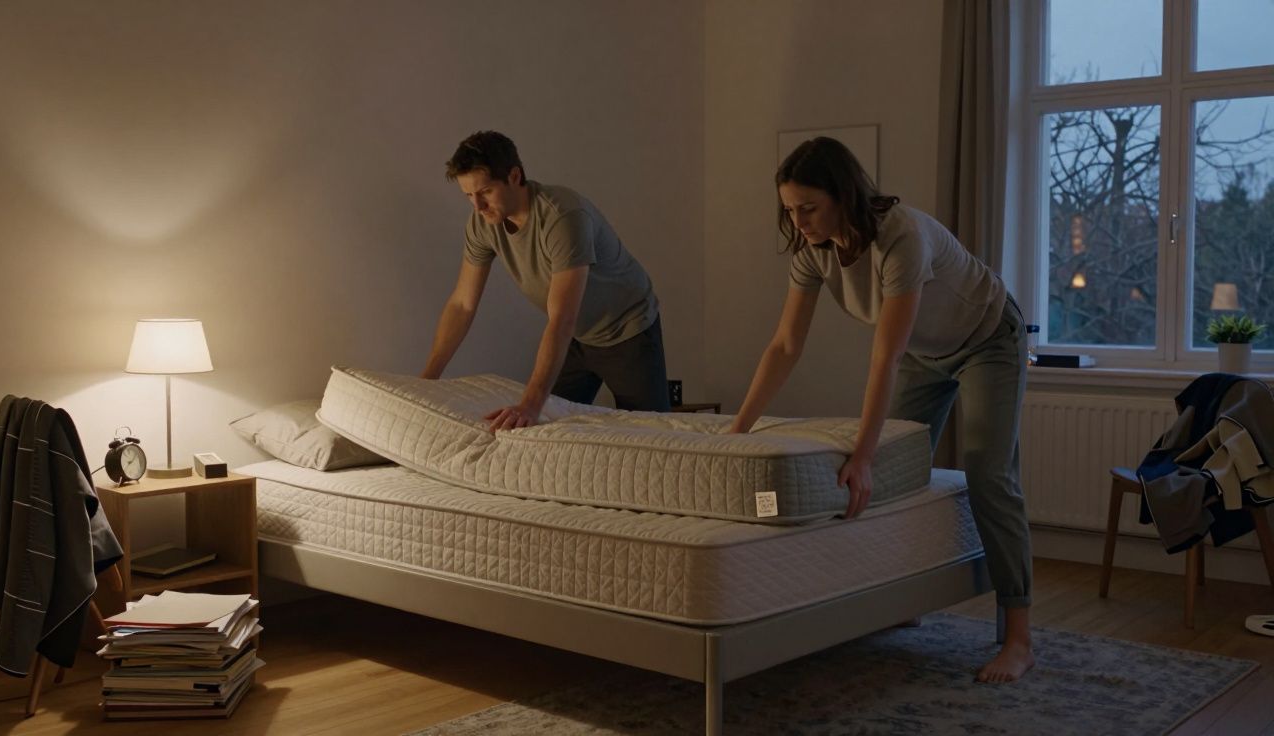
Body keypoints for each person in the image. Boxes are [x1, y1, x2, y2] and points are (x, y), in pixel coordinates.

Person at [729, 137, 1035, 683]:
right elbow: (784, 346)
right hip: (925, 351)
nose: (798, 221)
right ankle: (904, 595)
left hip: (988, 339)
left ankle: (1018, 637)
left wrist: (863, 455)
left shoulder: (903, 237)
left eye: (808, 208)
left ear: (843, 195)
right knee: (899, 470)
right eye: (790, 210)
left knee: (987, 472)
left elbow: (884, 355)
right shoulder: (813, 249)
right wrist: (739, 427)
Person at [422, 130, 669, 431]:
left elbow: (562, 317)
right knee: (542, 430)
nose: (477, 206)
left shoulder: (563, 217)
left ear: (514, 176)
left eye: (485, 192)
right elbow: (462, 304)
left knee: (650, 435)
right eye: (468, 195)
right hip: (577, 336)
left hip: (627, 329)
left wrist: (530, 403)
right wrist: (427, 381)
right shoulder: (482, 224)